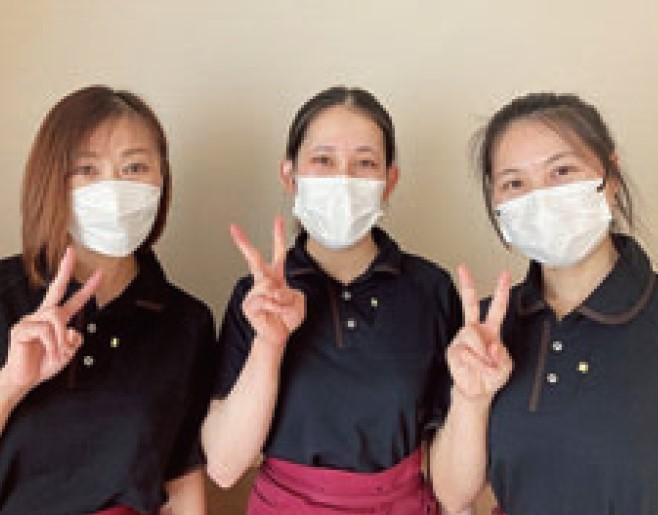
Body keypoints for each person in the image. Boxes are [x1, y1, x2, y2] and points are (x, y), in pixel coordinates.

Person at [202, 86, 463, 514]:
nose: (344, 179)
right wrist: (269, 343)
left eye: (365, 163)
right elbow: (225, 466)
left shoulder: (430, 289)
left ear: (389, 181)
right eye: (323, 160)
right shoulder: (258, 297)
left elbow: (453, 466)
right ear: (290, 176)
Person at [431, 92, 658, 515]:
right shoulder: (486, 332)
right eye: (514, 183)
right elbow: (453, 495)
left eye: (562, 171)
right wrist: (471, 398)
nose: (540, 198)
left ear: (610, 177)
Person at [0, 85, 215, 515]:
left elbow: (181, 476)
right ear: (51, 181)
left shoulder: (186, 322)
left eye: (135, 167)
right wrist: (12, 384)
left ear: (162, 180)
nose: (114, 188)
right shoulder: (5, 294)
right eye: (87, 169)